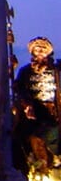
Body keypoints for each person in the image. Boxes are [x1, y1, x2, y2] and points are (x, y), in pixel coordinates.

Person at [13, 36, 60, 170]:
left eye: (43, 49)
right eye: (37, 49)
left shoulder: (56, 71)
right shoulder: (26, 71)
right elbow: (19, 88)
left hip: (52, 112)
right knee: (28, 136)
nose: (40, 52)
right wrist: (26, 103)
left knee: (53, 136)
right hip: (33, 111)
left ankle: (53, 161)